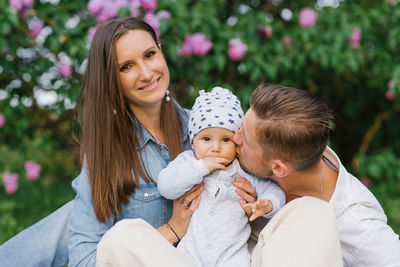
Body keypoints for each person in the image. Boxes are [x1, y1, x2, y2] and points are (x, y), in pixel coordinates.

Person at [0, 17, 203, 267]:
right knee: (76, 218)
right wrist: (171, 230)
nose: (147, 73)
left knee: (69, 215)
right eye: (126, 67)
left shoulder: (207, 128)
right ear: (112, 79)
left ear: (161, 51)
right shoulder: (107, 154)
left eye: (150, 55)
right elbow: (84, 261)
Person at [232, 83, 400, 267]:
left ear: (279, 169)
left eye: (246, 141)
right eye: (241, 127)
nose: (234, 138)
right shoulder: (290, 146)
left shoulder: (359, 226)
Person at [157, 87, 285, 267]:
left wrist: (268, 203)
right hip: (190, 253)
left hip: (232, 256)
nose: (216, 147)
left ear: (237, 140)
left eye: (226, 140)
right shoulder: (189, 162)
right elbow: (165, 186)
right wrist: (200, 167)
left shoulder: (242, 169)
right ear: (193, 142)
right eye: (206, 139)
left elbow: (275, 191)